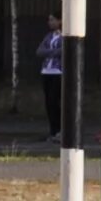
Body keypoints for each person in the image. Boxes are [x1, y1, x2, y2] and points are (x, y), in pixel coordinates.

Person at [36, 13, 65, 144]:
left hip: (58, 72)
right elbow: (39, 51)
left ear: (60, 20)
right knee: (48, 102)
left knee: (55, 101)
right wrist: (52, 52)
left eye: (53, 19)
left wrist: (50, 52)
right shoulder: (49, 36)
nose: (50, 22)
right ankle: (53, 130)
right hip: (46, 71)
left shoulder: (64, 36)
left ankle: (60, 130)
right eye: (49, 20)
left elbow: (62, 51)